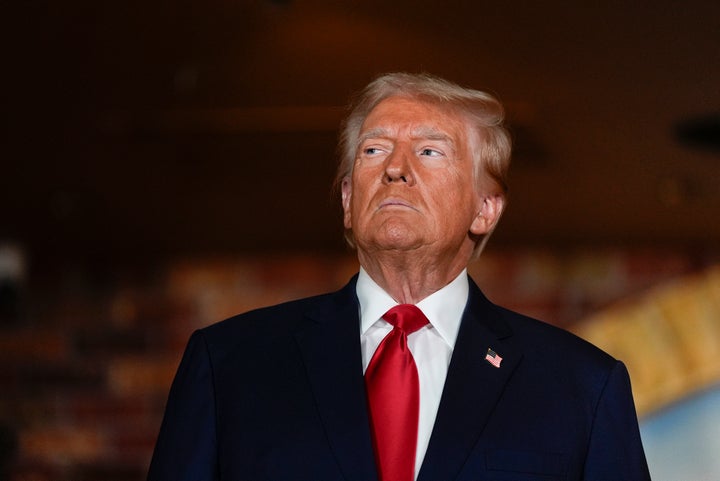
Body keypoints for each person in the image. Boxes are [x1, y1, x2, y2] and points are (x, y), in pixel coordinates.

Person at [147, 73, 651, 481]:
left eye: (430, 151)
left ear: (485, 209)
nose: (395, 168)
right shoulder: (229, 365)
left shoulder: (582, 386)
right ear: (348, 201)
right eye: (373, 150)